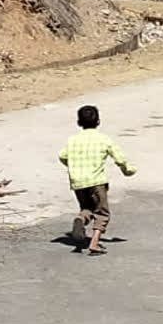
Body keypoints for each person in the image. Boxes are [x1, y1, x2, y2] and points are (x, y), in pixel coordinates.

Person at [59, 105, 137, 255]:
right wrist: (127, 170)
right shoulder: (104, 139)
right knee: (102, 212)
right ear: (99, 121)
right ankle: (94, 243)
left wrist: (72, 165)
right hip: (97, 182)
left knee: (86, 208)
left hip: (78, 182)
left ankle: (81, 219)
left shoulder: (72, 140)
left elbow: (62, 156)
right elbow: (119, 158)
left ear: (78, 123)